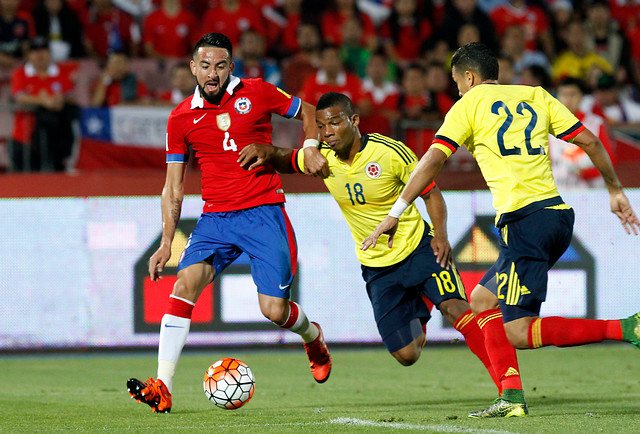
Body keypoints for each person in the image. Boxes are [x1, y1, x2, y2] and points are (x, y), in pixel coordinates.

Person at [362, 42, 640, 418]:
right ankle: (510, 396)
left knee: (518, 331)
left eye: (457, 81)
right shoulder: (535, 94)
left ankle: (626, 328)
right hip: (556, 217)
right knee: (482, 301)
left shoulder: (469, 105)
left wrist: (396, 211)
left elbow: (432, 160)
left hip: (524, 222)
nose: (456, 88)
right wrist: (615, 190)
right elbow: (589, 141)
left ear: (470, 77)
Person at [237, 91, 501, 392]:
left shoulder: (390, 152)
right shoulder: (322, 159)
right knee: (406, 355)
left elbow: (431, 193)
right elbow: (285, 160)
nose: (327, 133)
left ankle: (507, 386)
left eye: (334, 124)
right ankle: (421, 301)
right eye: (321, 126)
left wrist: (440, 235)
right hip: (378, 266)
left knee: (456, 309)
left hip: (418, 247)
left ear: (354, 120)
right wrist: (265, 151)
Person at [126, 32, 332, 414]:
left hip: (263, 211)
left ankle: (313, 336)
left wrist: (308, 147)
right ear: (192, 68)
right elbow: (173, 186)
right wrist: (166, 243)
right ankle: (163, 386)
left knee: (273, 310)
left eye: (220, 65)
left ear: (231, 67)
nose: (212, 73)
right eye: (204, 65)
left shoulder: (258, 92)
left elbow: (309, 111)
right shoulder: (181, 118)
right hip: (215, 218)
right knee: (184, 283)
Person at [9, 36, 77, 172]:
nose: (40, 54)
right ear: (29, 55)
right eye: (35, 51)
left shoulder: (60, 72)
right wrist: (44, 101)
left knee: (55, 181)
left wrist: (60, 99)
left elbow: (70, 97)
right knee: (27, 183)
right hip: (25, 137)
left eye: (43, 50)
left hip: (55, 138)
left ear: (50, 53)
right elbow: (19, 97)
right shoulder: (20, 73)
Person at [549, 77, 617, 188]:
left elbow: (608, 160)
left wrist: (585, 173)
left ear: (582, 97)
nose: (568, 99)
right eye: (564, 94)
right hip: (559, 191)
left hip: (590, 192)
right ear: (557, 97)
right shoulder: (548, 126)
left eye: (573, 94)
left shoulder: (595, 123)